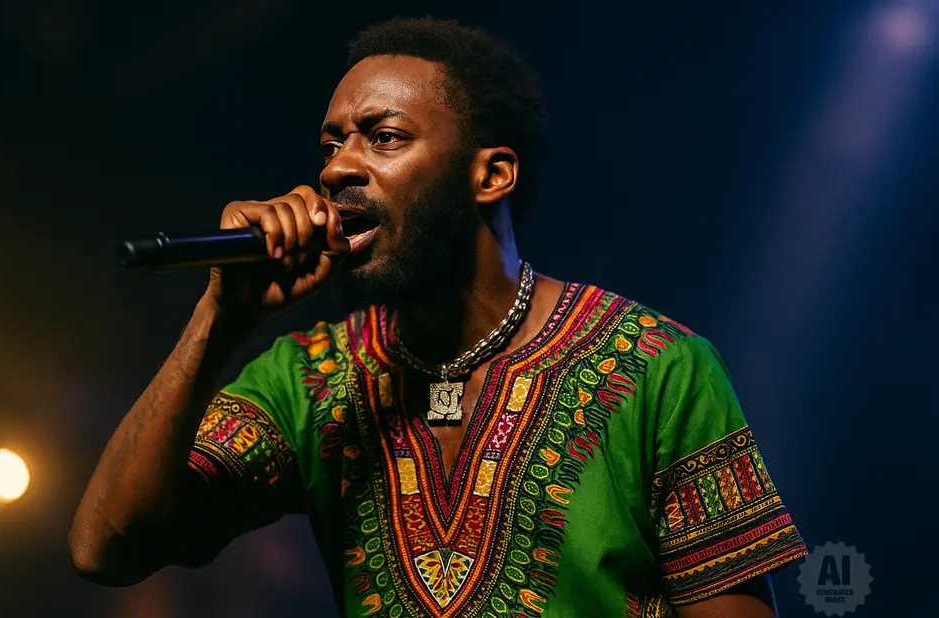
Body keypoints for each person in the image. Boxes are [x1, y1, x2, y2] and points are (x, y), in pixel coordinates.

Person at [70, 17, 807, 618]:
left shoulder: (658, 365)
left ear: (491, 174)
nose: (336, 169)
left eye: (382, 137)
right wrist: (220, 320)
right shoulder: (309, 379)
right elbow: (108, 548)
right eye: (332, 143)